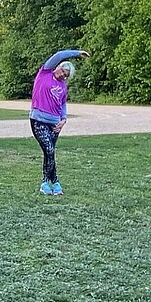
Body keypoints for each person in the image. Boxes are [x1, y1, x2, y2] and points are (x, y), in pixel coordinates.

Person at [30, 49, 90, 195]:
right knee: (49, 150)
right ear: (58, 67)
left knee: (49, 153)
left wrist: (63, 120)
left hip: (55, 124)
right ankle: (50, 181)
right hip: (38, 120)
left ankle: (52, 184)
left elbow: (63, 104)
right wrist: (77, 53)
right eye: (63, 71)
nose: (63, 74)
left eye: (66, 75)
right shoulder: (45, 73)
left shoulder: (63, 86)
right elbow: (58, 55)